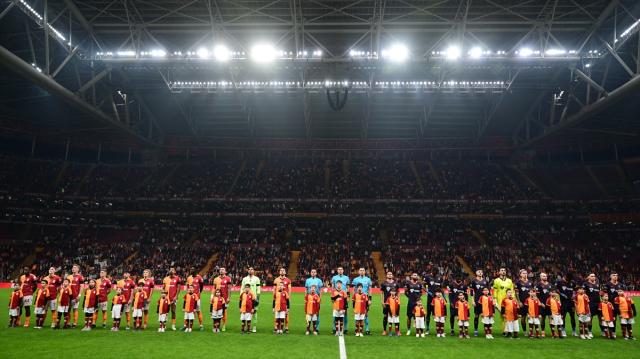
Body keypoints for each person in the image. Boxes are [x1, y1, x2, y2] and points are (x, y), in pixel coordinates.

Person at [492, 267, 514, 337]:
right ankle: (504, 331)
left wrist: (512, 299)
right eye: (502, 270)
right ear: (499, 272)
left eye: (504, 270)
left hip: (509, 301)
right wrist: (495, 300)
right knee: (502, 316)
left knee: (509, 316)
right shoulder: (496, 280)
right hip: (500, 301)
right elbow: (495, 291)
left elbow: (512, 291)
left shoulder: (509, 281)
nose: (503, 271)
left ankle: (509, 330)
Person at [351, 267, 372, 335]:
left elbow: (370, 289)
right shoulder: (355, 279)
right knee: (356, 313)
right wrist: (353, 298)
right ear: (359, 272)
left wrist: (370, 299)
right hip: (357, 298)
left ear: (365, 272)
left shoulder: (368, 279)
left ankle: (367, 329)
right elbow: (354, 289)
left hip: (365, 298)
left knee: (366, 313)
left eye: (363, 270)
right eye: (361, 270)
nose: (362, 272)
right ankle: (356, 330)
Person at [556, 272, 577, 337]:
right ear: (566, 277)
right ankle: (563, 331)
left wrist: (573, 295)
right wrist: (562, 295)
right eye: (568, 279)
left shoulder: (572, 282)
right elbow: (555, 289)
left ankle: (574, 332)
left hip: (571, 301)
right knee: (563, 316)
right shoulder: (559, 281)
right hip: (563, 301)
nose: (569, 280)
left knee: (572, 316)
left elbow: (575, 289)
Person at [470, 269, 490, 337]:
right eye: (478, 272)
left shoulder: (485, 281)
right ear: (476, 273)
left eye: (481, 272)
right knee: (477, 316)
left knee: (486, 315)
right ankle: (476, 330)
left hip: (485, 301)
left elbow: (488, 291)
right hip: (477, 301)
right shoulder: (474, 281)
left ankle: (488, 331)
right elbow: (471, 292)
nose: (480, 273)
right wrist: (472, 301)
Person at [603, 272, 623, 338]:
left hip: (620, 304)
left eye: (616, 275)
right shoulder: (608, 284)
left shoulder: (620, 284)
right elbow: (604, 294)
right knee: (613, 319)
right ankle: (613, 332)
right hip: (611, 304)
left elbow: (622, 294)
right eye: (614, 275)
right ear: (610, 276)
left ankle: (624, 333)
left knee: (622, 318)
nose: (615, 276)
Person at [423, 268, 443, 335]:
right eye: (434, 272)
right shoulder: (427, 276)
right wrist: (428, 292)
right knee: (428, 313)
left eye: (436, 273)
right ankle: (427, 329)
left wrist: (443, 296)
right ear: (432, 271)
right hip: (430, 297)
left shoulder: (440, 277)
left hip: (437, 298)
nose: (435, 274)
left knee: (439, 313)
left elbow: (442, 287)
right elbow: (423, 286)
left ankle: (440, 330)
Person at [515, 269, 534, 337]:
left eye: (526, 273)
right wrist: (519, 302)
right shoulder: (518, 282)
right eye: (523, 273)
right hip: (522, 302)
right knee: (523, 317)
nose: (525, 274)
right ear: (520, 274)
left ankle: (531, 331)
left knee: (531, 317)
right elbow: (516, 292)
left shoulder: (531, 282)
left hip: (530, 302)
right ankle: (525, 331)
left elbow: (533, 292)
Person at [241, 267, 261, 333]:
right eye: (249, 269)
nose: (250, 270)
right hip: (246, 299)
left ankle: (254, 327)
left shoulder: (257, 279)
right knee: (245, 312)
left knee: (254, 312)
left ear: (253, 271)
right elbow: (242, 288)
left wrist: (257, 298)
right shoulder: (244, 279)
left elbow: (258, 289)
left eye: (251, 269)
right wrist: (241, 296)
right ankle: (245, 328)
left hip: (254, 298)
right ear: (248, 271)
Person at [331, 267, 350, 335]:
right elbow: (332, 287)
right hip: (336, 296)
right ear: (337, 270)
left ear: (343, 270)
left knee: (345, 312)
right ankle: (334, 329)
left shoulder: (346, 278)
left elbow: (348, 288)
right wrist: (332, 296)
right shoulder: (334, 278)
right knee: (335, 313)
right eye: (339, 269)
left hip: (344, 297)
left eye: (341, 269)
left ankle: (345, 329)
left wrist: (348, 296)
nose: (340, 270)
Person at [380, 271, 400, 336]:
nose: (390, 275)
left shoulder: (396, 283)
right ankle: (385, 330)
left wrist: (398, 300)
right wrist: (382, 301)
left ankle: (398, 331)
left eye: (391, 274)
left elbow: (398, 292)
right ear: (386, 275)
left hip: (395, 302)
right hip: (387, 303)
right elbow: (381, 293)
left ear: (392, 275)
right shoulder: (384, 283)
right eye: (388, 274)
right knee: (385, 316)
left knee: (396, 316)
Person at [212, 267, 232, 331]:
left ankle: (223, 326)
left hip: (224, 298)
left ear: (225, 271)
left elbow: (229, 289)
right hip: (216, 299)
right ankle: (216, 326)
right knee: (216, 312)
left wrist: (229, 297)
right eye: (220, 269)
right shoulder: (216, 279)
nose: (221, 270)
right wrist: (212, 296)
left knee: (224, 312)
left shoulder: (228, 279)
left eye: (223, 269)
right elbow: (214, 288)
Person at [583, 272, 602, 338]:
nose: (593, 277)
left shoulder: (598, 284)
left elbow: (599, 292)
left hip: (598, 302)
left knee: (600, 317)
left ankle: (602, 332)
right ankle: (590, 332)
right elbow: (583, 293)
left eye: (594, 276)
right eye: (592, 276)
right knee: (590, 317)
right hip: (590, 303)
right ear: (588, 277)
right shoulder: (586, 284)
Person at [273, 267, 292, 334]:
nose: (282, 271)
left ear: (285, 272)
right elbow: (274, 289)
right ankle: (276, 327)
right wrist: (274, 297)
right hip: (278, 298)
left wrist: (288, 299)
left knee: (286, 314)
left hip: (285, 299)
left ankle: (286, 328)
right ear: (279, 272)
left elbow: (289, 290)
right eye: (281, 270)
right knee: (277, 314)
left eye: (283, 270)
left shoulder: (288, 280)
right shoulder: (276, 280)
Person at [66, 264, 85, 329]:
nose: (73, 268)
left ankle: (74, 323)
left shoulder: (80, 277)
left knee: (75, 309)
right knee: (68, 309)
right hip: (68, 296)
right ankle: (68, 323)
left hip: (75, 296)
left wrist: (79, 295)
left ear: (78, 269)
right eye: (73, 267)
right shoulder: (68, 277)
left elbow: (82, 286)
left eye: (75, 267)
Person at [305, 269, 323, 333]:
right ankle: (308, 329)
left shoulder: (319, 280)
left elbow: (321, 290)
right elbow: (306, 289)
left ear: (316, 273)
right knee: (308, 313)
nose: (313, 273)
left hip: (316, 297)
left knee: (317, 313)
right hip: (309, 297)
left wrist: (320, 298)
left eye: (314, 272)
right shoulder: (307, 280)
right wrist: (305, 297)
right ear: (310, 273)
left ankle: (316, 329)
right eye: (312, 272)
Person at [535, 272, 552, 338]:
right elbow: (538, 295)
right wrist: (541, 303)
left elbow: (552, 294)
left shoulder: (550, 285)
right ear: (541, 277)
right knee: (543, 318)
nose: (545, 277)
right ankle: (543, 331)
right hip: (543, 304)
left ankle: (552, 332)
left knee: (551, 318)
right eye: (544, 276)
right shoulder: (539, 285)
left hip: (550, 304)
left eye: (546, 276)